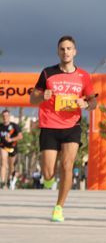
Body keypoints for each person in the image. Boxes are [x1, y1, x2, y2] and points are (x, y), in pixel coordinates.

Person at [29, 35, 97, 222]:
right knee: (48, 172)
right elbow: (32, 99)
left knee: (67, 166)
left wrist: (85, 104)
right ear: (58, 52)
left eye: (69, 48)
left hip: (71, 126)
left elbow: (94, 102)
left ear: (74, 52)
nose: (65, 52)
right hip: (49, 126)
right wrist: (43, 97)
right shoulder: (47, 73)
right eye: (62, 49)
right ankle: (49, 179)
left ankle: (59, 207)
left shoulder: (84, 76)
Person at [0, 109, 23, 189]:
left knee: (11, 165)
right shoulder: (1, 126)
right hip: (3, 146)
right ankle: (2, 182)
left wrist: (11, 139)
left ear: (9, 116)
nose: (5, 117)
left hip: (12, 147)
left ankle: (11, 179)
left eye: (6, 116)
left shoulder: (14, 126)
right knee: (3, 162)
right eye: (3, 116)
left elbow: (20, 136)